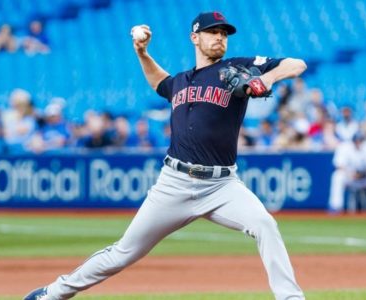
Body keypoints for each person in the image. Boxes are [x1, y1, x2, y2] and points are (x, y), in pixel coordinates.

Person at [24, 11, 307, 300]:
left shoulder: (236, 67)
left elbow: (297, 64)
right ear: (194, 38)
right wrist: (142, 52)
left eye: (223, 33)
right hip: (174, 184)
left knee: (264, 224)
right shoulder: (180, 82)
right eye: (213, 32)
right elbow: (159, 81)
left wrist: (268, 78)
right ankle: (52, 293)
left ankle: (290, 298)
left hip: (222, 185)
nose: (220, 37)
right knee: (123, 253)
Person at [328, 132, 366, 213]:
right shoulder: (344, 146)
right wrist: (350, 174)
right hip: (350, 178)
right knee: (337, 175)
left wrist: (362, 174)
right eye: (356, 141)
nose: (358, 143)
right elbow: (338, 165)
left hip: (365, 178)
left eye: (360, 141)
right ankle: (335, 206)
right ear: (353, 141)